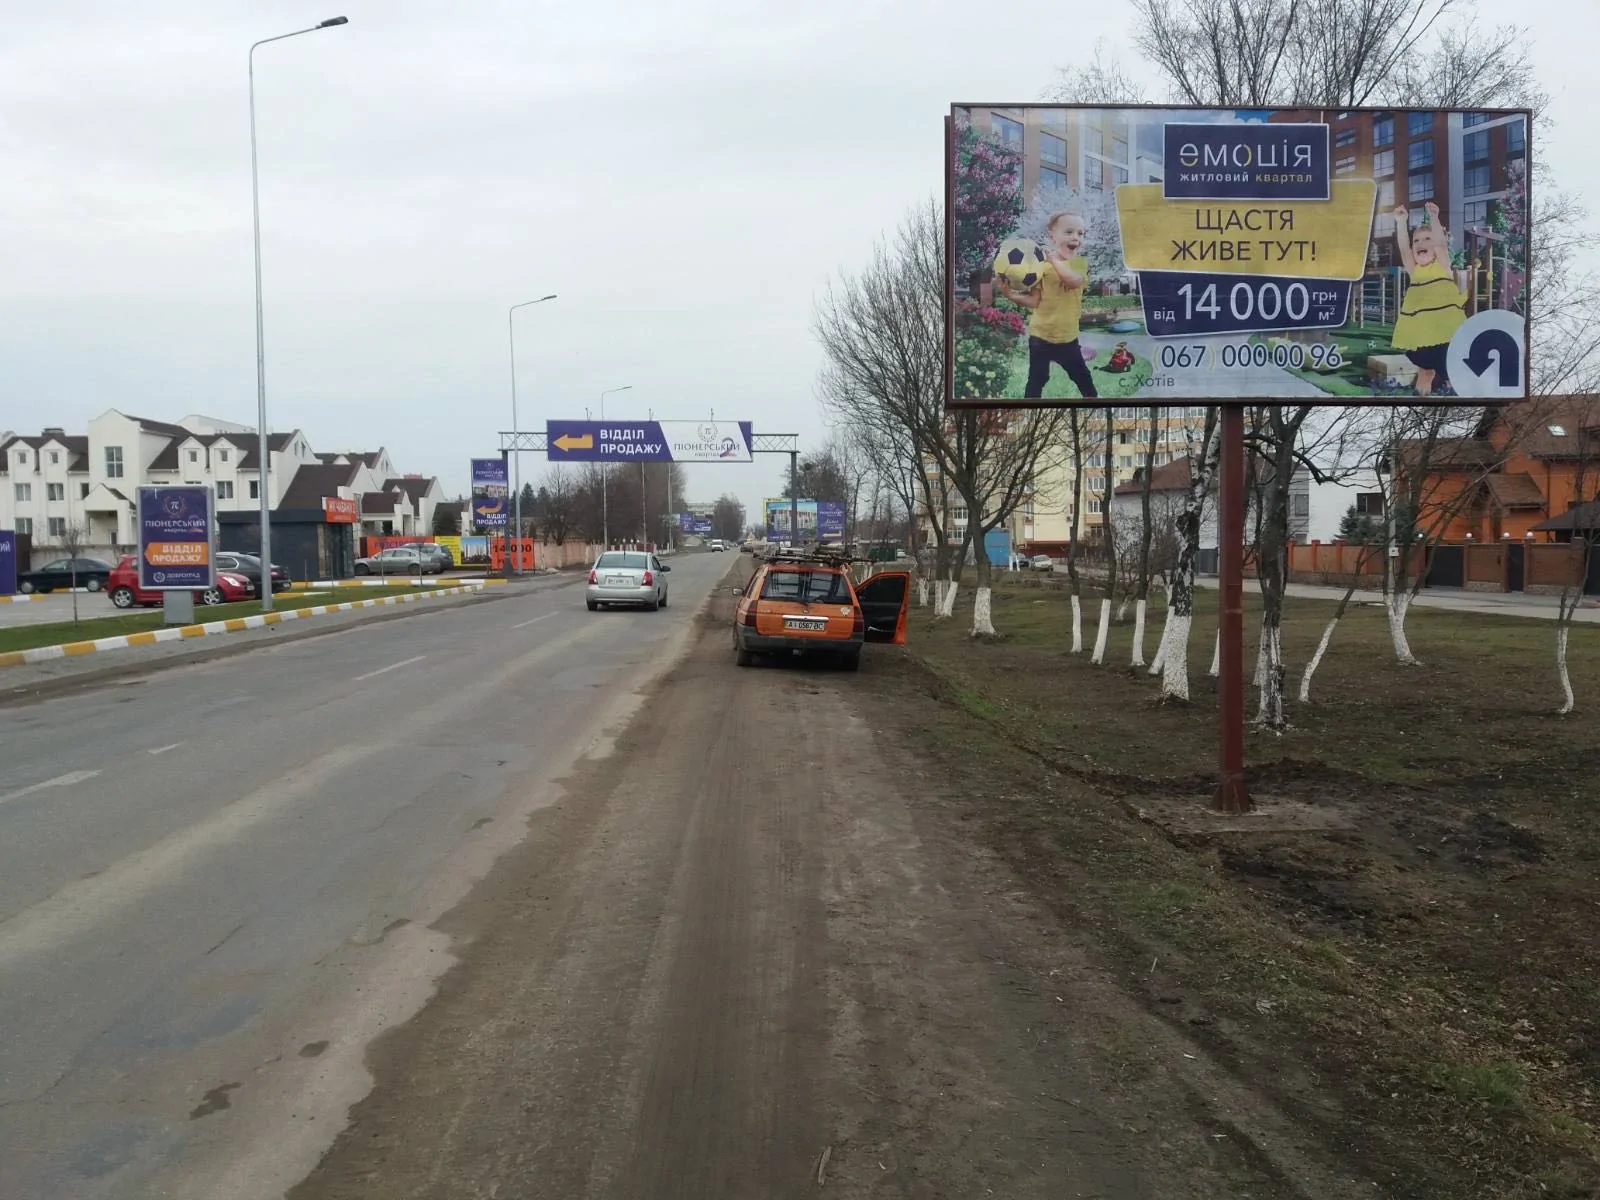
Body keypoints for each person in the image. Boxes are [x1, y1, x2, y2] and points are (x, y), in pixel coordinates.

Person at [998, 210, 1099, 400]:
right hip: (1040, 336)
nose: (1076, 237)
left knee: (1082, 377)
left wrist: (1052, 260)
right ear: (1052, 236)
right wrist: (1010, 294)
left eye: (1080, 233)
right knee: (1037, 379)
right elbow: (1034, 301)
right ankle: (1029, 411)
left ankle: (1097, 405)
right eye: (1069, 232)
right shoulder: (1040, 268)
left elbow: (1073, 282)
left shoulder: (1079, 263)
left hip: (1067, 339)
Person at [1391, 201, 1466, 397]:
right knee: (1424, 372)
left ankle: (1455, 399)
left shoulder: (1442, 266)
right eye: (1416, 240)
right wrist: (1401, 222)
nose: (1420, 243)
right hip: (1422, 337)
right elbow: (1404, 249)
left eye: (1427, 239)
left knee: (1452, 376)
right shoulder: (1415, 271)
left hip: (1446, 336)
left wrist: (1434, 217)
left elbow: (1440, 245)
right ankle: (1421, 401)